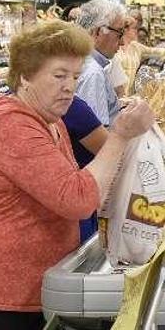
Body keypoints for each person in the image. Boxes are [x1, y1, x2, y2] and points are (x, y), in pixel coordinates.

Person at [0, 20, 154, 330]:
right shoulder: (11, 124)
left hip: (27, 289)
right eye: (59, 75)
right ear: (25, 76)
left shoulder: (50, 120)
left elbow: (78, 187)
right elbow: (76, 200)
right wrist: (119, 136)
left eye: (75, 76)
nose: (69, 86)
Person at [62, 95, 109, 243]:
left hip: (60, 213)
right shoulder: (72, 107)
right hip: (80, 213)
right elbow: (109, 151)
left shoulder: (9, 108)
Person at [74, 0, 128, 125]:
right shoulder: (93, 73)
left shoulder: (81, 61)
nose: (122, 42)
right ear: (98, 32)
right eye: (119, 33)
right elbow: (98, 136)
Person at [115, 14, 165, 96]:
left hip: (129, 95)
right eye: (134, 28)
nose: (137, 31)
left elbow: (155, 51)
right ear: (125, 29)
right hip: (115, 94)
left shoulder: (136, 47)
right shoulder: (114, 46)